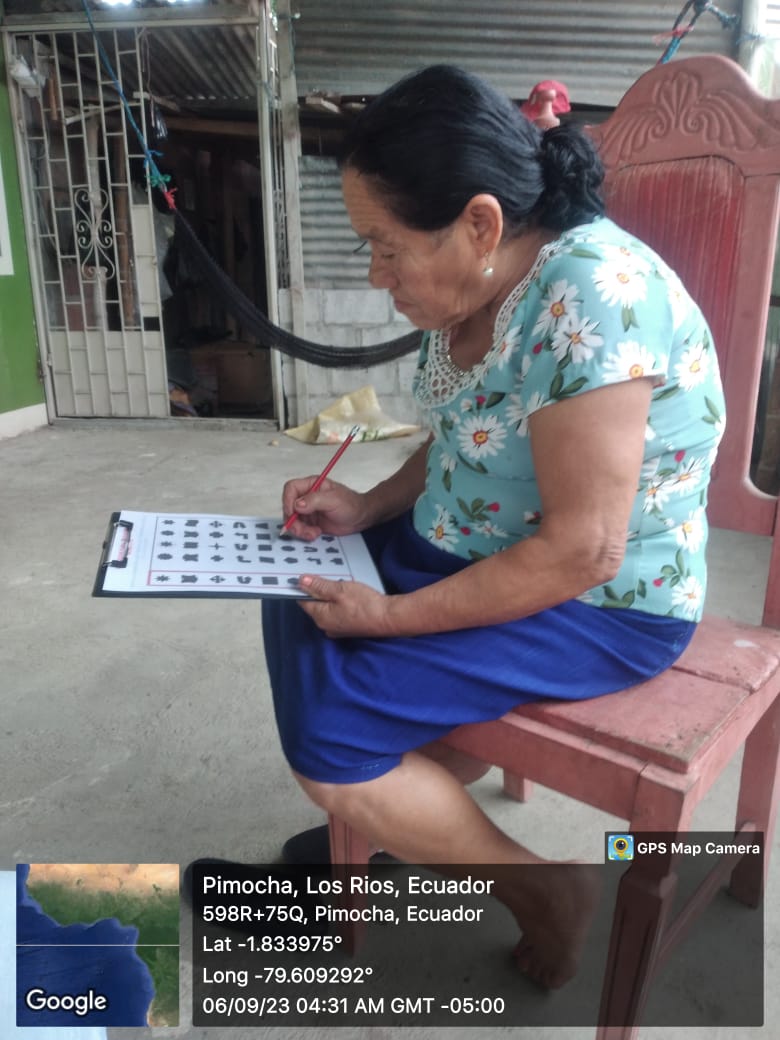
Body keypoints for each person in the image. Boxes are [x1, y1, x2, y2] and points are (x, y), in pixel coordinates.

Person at [262, 64, 725, 989]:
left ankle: (544, 888)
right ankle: (399, 807)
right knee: (294, 577)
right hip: (474, 545)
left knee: (331, 731)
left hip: (595, 603)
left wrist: (391, 617)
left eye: (386, 247)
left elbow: (583, 549)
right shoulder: (480, 281)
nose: (376, 274)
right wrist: (366, 507)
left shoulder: (592, 297)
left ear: (479, 223)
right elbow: (463, 440)